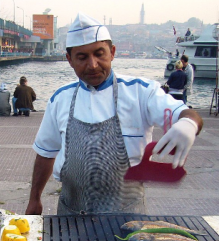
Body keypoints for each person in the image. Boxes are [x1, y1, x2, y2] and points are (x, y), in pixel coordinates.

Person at [24, 12, 203, 216]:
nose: (92, 64)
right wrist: (34, 199)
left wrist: (188, 124)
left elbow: (187, 113)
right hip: (71, 213)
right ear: (69, 60)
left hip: (127, 215)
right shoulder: (60, 99)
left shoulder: (142, 92)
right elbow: (46, 153)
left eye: (99, 54)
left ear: (112, 52)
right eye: (82, 57)